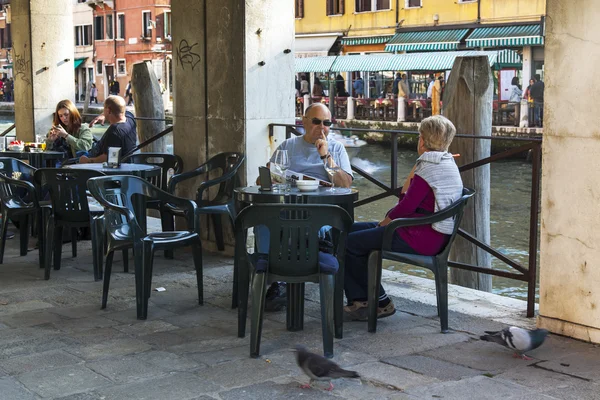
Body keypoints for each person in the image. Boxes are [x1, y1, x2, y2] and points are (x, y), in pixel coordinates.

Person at [344, 115, 463, 321]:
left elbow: (405, 206)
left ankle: (378, 302)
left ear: (423, 140)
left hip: (418, 236)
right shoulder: (445, 162)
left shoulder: (428, 167)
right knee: (350, 230)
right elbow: (409, 199)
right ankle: (361, 299)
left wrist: (384, 223)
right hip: (430, 234)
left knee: (348, 243)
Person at [259, 103, 354, 310]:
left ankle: (282, 280)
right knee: (263, 220)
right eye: (316, 121)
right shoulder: (288, 146)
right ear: (304, 122)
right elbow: (263, 180)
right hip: (287, 207)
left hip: (320, 211)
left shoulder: (336, 148)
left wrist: (325, 156)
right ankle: (273, 274)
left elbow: (345, 183)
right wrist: (273, 178)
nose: (322, 127)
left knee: (295, 227)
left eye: (327, 123)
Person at [79, 95, 137, 164]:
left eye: (104, 109)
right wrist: (103, 115)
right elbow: (121, 109)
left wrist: (88, 161)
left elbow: (107, 158)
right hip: (128, 160)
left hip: (98, 164)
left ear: (108, 110)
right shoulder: (130, 119)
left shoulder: (114, 131)